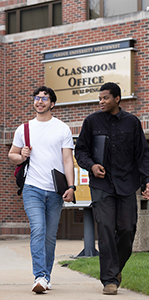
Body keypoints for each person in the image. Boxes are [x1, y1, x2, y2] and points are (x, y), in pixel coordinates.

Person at [75, 82, 149, 295]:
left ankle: (115, 269)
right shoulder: (91, 122)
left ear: (117, 98)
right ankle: (109, 280)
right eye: (100, 98)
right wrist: (92, 165)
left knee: (127, 229)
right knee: (106, 228)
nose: (101, 102)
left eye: (105, 98)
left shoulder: (132, 123)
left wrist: (146, 180)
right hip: (102, 184)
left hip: (127, 184)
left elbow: (142, 155)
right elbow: (81, 151)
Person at [8, 86, 75, 294]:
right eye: (37, 98)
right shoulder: (24, 129)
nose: (39, 101)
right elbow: (13, 155)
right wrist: (23, 155)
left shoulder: (62, 128)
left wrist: (71, 187)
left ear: (52, 104)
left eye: (44, 99)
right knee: (38, 229)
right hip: (32, 188)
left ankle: (46, 276)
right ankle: (39, 276)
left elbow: (67, 160)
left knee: (49, 235)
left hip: (55, 190)